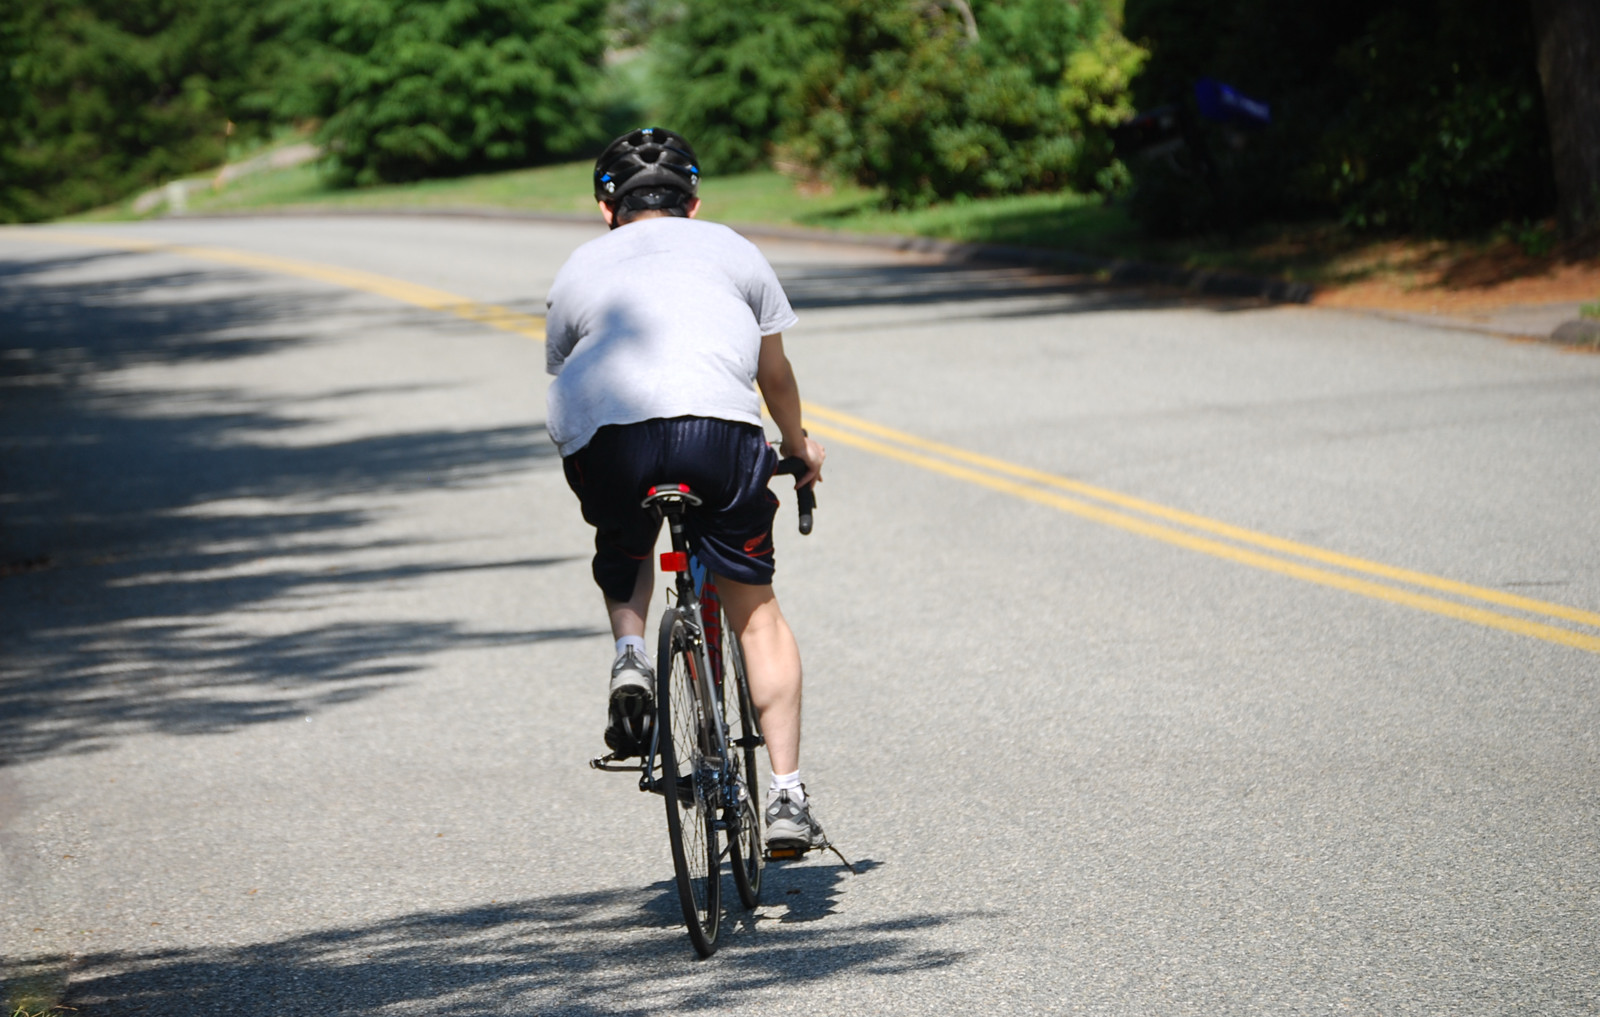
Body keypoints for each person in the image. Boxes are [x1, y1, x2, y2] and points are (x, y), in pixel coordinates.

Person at [544, 127, 828, 852]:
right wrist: (796, 448)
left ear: (606, 207)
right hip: (716, 434)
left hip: (609, 440)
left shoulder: (580, 264)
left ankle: (632, 652)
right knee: (756, 614)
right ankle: (787, 796)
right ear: (693, 202)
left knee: (625, 534)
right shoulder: (734, 248)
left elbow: (564, 370)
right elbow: (775, 377)